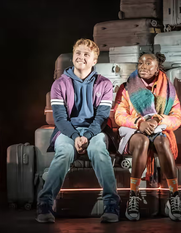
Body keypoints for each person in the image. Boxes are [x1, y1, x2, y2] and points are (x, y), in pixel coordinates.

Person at [36, 38, 121, 223]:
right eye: (78, 53)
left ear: (94, 60)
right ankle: (44, 204)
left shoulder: (104, 84)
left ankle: (112, 206)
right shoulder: (59, 84)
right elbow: (59, 119)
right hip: (67, 132)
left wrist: (87, 136)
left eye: (86, 54)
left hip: (95, 131)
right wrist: (75, 136)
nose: (81, 57)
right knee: (64, 152)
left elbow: (102, 117)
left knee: (99, 150)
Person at [114, 52, 181, 221]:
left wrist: (159, 119)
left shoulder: (169, 89)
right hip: (134, 130)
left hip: (158, 129)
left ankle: (174, 195)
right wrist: (139, 123)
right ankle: (133, 195)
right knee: (142, 141)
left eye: (148, 63)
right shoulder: (127, 87)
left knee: (162, 141)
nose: (143, 66)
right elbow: (119, 115)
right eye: (140, 63)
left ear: (157, 68)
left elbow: (177, 117)